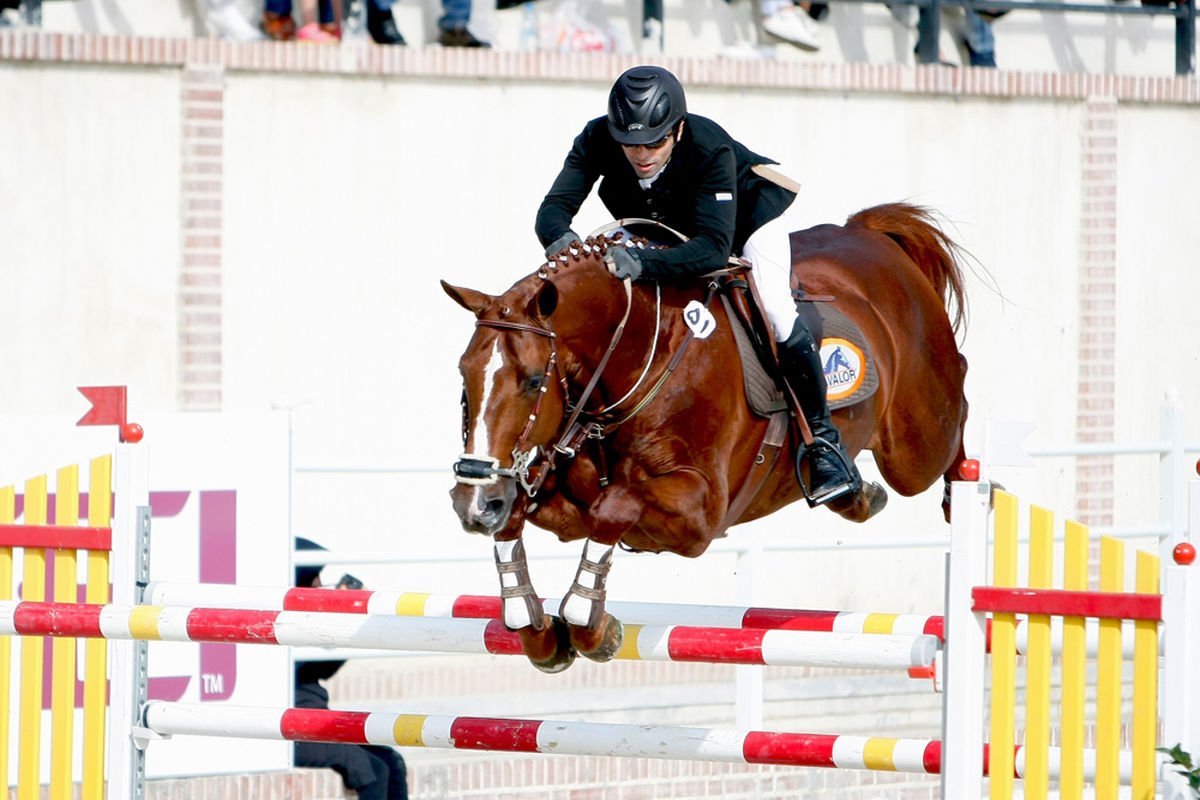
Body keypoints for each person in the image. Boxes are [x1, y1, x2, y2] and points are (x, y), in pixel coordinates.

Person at [534, 65, 861, 506]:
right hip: (661, 222)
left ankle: (824, 444)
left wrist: (643, 263)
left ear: (678, 129)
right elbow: (553, 209)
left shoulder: (709, 147)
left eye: (655, 142)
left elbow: (711, 250)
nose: (641, 155)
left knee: (777, 311)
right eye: (630, 144)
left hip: (740, 221)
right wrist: (563, 243)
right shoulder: (597, 138)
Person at [292, 538, 409, 800]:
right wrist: (343, 616)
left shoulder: (300, 616)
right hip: (291, 729)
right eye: (315, 579)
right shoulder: (275, 619)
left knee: (391, 761)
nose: (320, 585)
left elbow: (319, 669)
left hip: (315, 720)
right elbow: (304, 668)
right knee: (370, 769)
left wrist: (351, 616)